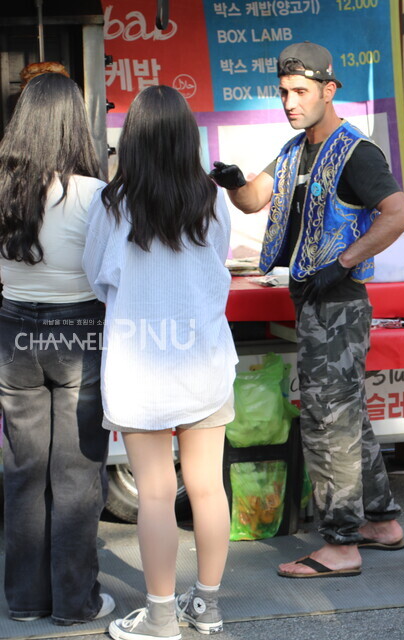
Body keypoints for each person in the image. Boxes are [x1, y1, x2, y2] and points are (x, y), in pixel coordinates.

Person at [209, 41, 404, 579]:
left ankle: (341, 544)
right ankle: (382, 522)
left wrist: (342, 264)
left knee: (328, 423)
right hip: (316, 299)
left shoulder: (357, 153)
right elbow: (256, 199)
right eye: (283, 93)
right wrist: (232, 183)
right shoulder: (296, 150)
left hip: (339, 302)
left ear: (329, 90)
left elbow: (398, 215)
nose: (289, 102)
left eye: (300, 92)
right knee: (345, 415)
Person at [83, 85, 236, 640]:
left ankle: (161, 616)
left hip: (139, 366)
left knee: (152, 492)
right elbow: (217, 263)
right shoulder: (213, 199)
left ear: (134, 140)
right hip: (205, 360)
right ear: (187, 138)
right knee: (207, 487)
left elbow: (95, 275)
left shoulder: (112, 203)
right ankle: (208, 608)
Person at [0, 71, 114, 626]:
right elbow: (112, 272)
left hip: (13, 331)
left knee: (23, 470)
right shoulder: (95, 195)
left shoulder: (1, 187)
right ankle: (75, 603)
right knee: (75, 474)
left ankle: (23, 601)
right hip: (79, 333)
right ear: (75, 125)